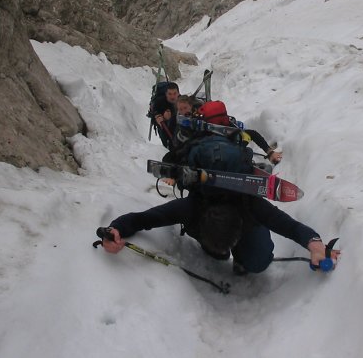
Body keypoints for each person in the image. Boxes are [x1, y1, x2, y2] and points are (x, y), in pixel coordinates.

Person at [102, 101, 338, 275]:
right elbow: (144, 219)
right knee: (221, 254)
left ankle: (236, 257)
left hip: (234, 218)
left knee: (259, 262)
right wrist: (114, 230)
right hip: (208, 221)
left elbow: (290, 226)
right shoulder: (193, 206)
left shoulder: (248, 204)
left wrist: (316, 245)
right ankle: (220, 252)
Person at [152, 82, 179, 148]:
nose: (172, 96)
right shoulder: (159, 102)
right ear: (166, 94)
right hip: (165, 128)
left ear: (178, 93)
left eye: (174, 93)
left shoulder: (182, 100)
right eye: (170, 94)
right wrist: (160, 118)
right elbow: (154, 114)